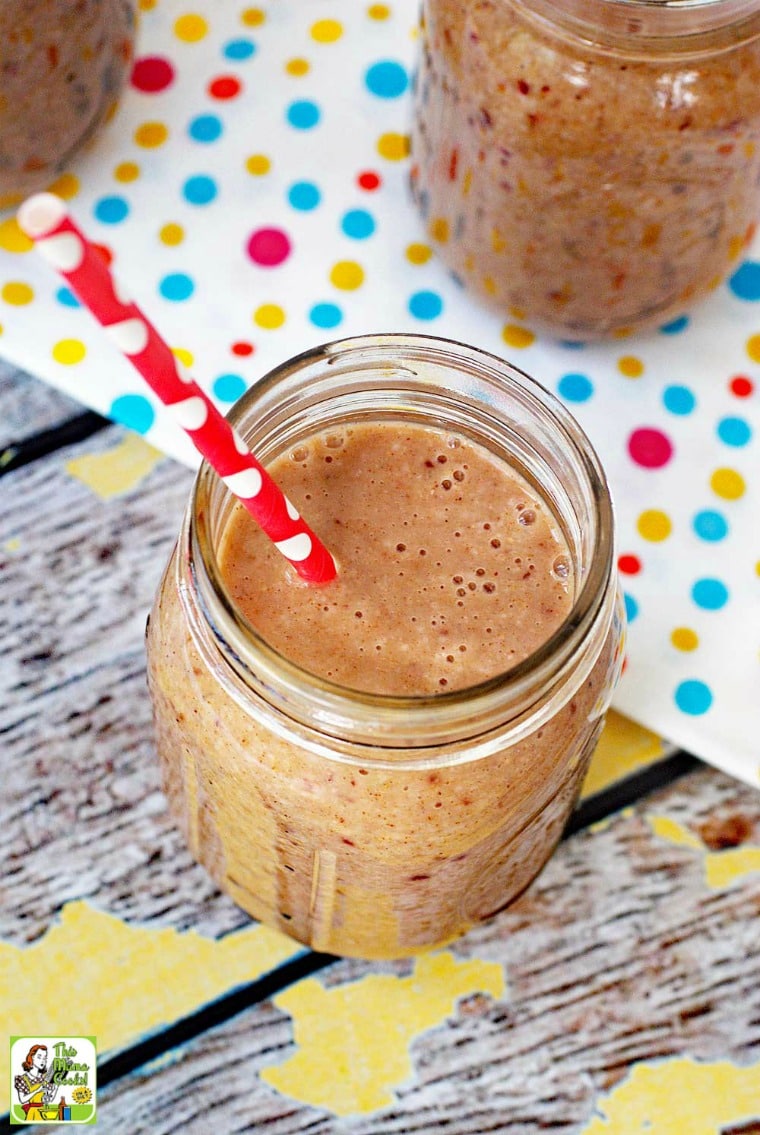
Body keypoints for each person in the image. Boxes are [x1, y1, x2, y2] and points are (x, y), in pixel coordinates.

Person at [14, 1044, 58, 1121]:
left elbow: (49, 1099)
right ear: (32, 1057)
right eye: (39, 1057)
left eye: (45, 1058)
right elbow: (22, 1100)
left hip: (44, 1113)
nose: (42, 1061)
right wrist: (37, 1090)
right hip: (32, 1114)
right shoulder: (22, 1079)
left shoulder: (45, 1077)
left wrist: (56, 1086)